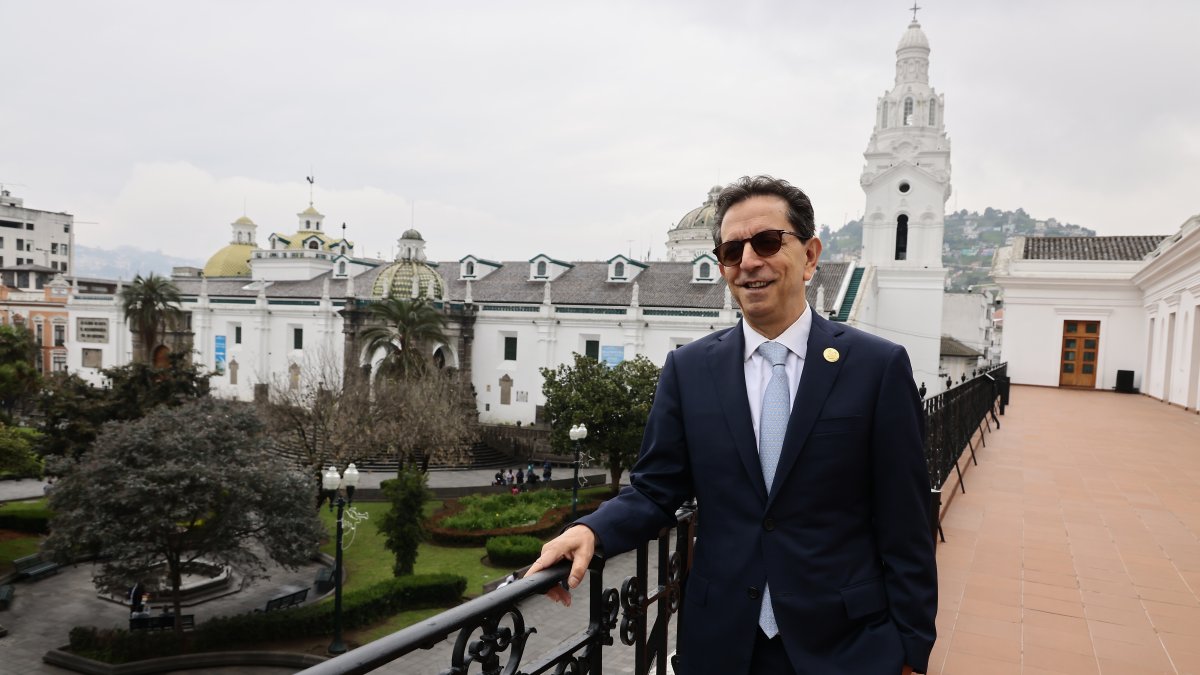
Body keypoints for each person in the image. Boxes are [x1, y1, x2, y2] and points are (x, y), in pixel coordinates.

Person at [526, 176, 937, 674]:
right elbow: (656, 490)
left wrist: (912, 651)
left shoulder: (876, 367)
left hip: (845, 644)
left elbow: (907, 522)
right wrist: (592, 529)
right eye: (730, 250)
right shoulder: (690, 370)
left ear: (809, 257)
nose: (748, 262)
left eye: (766, 243)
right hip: (722, 643)